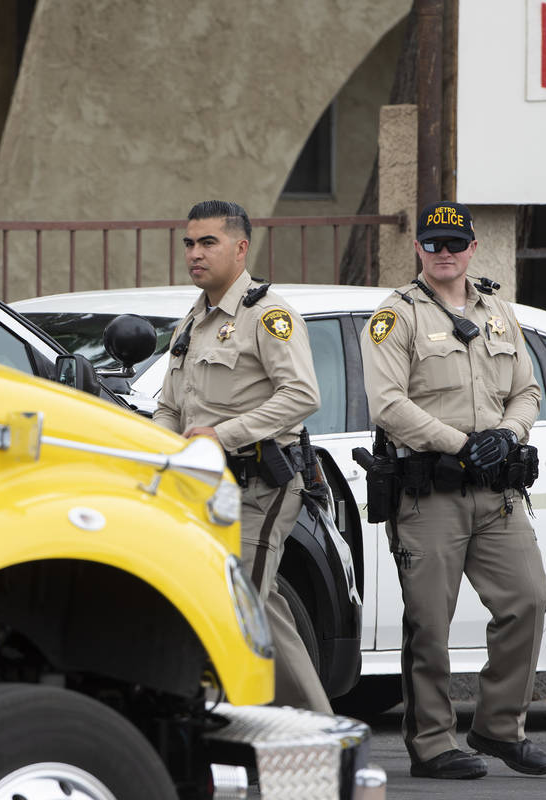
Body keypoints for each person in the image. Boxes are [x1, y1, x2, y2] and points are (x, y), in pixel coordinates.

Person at [360, 201, 546, 780]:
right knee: (429, 623)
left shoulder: (499, 313)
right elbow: (388, 405)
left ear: (472, 250)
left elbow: (528, 391)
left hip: (498, 494)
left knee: (528, 601)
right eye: (433, 243)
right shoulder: (396, 317)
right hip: (430, 496)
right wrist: (461, 444)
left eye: (455, 243)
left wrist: (506, 435)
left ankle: (498, 729)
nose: (445, 252)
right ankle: (432, 743)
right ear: (418, 249)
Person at [153, 199, 332, 713]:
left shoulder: (267, 315)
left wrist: (219, 436)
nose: (195, 253)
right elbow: (170, 406)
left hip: (259, 487)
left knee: (242, 606)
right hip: (203, 491)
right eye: (189, 243)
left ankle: (290, 732)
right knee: (252, 605)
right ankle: (303, 728)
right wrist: (163, 451)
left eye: (208, 242)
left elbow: (302, 395)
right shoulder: (194, 319)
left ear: (240, 247)